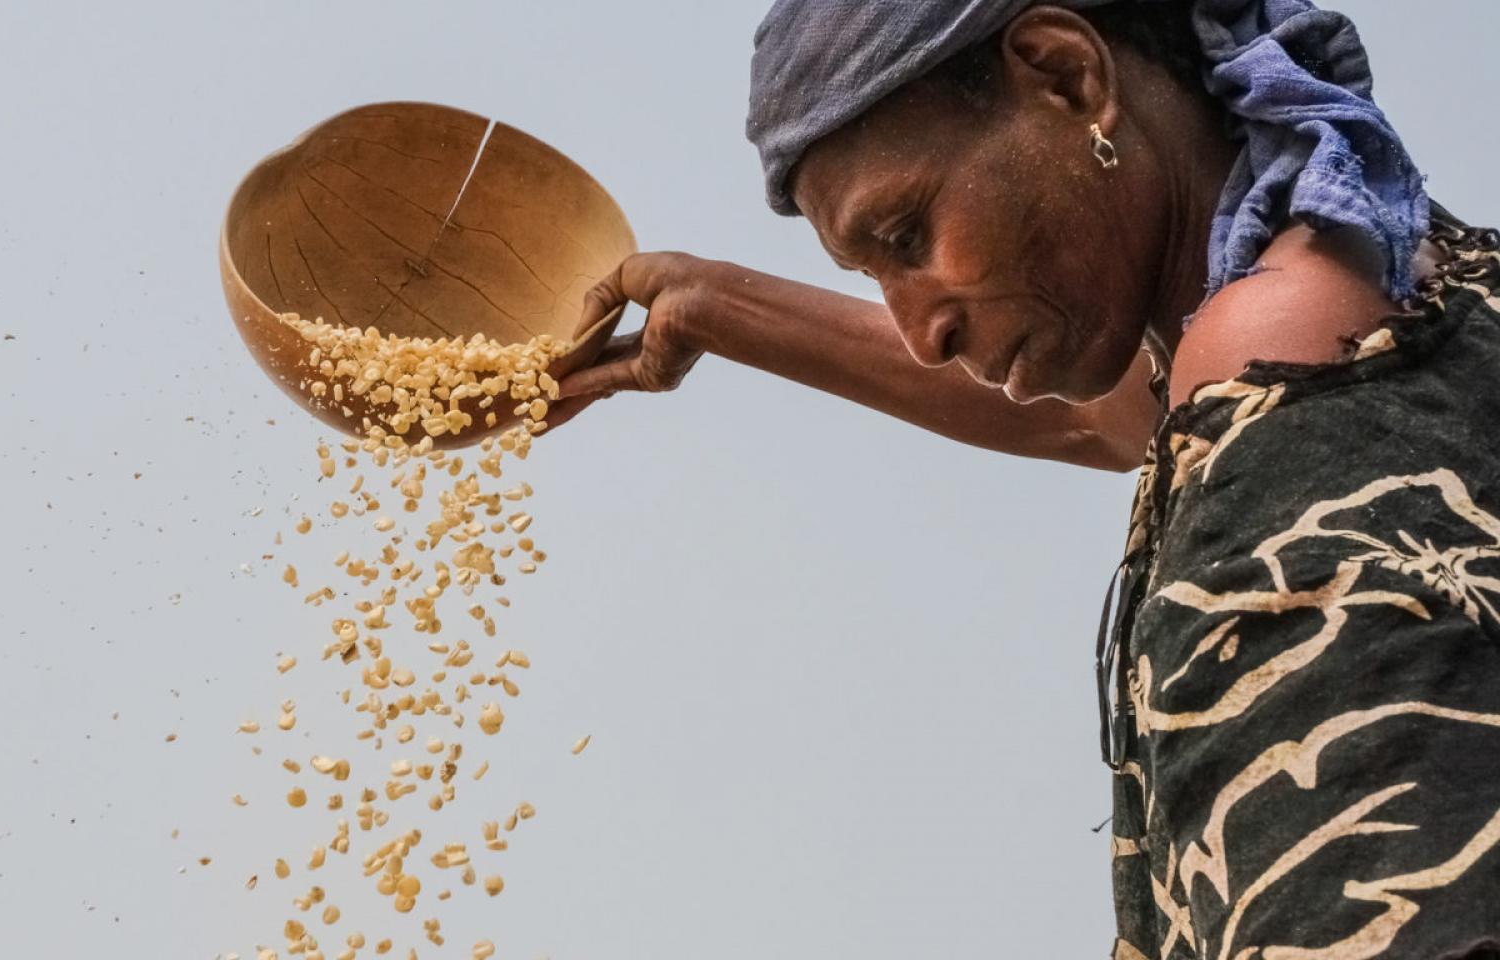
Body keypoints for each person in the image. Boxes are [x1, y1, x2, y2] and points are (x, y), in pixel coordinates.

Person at [554, 2, 1500, 956]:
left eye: (908, 234)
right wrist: (712, 309)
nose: (925, 334)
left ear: (1064, 76)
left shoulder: (1277, 371)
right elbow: (1096, 417)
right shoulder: (1376, 274)